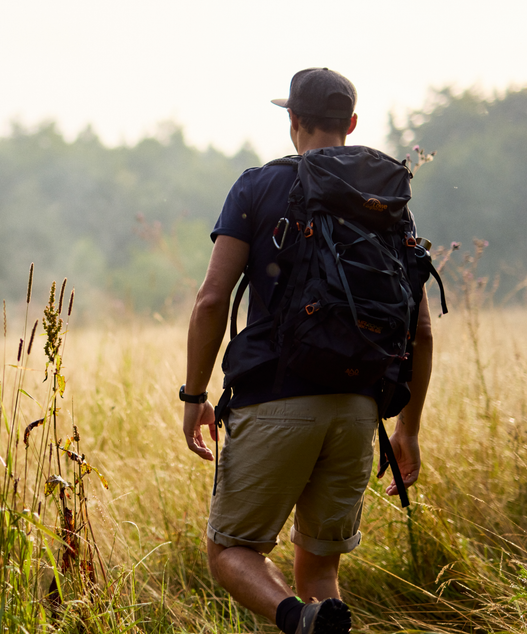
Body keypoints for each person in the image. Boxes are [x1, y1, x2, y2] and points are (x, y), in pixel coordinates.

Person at [180, 68, 434, 634]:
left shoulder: (258, 186)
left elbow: (211, 300)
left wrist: (194, 394)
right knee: (320, 574)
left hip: (275, 396)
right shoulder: (385, 200)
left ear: (293, 121)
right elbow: (419, 330)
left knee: (231, 552)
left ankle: (295, 619)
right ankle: (314, 616)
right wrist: (408, 428)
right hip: (357, 408)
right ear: (351, 123)